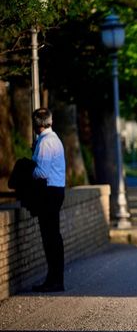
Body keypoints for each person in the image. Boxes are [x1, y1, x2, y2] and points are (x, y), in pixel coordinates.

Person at [31, 108, 66, 293]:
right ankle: (55, 279)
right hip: (57, 190)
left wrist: (29, 171)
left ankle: (54, 280)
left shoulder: (45, 142)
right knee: (54, 236)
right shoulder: (55, 139)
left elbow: (42, 172)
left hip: (49, 192)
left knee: (50, 237)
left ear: (37, 125)